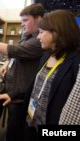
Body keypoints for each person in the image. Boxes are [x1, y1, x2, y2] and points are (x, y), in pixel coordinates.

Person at [0, 3, 45, 141]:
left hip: (20, 98)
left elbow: (16, 51)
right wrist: (7, 64)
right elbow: (17, 55)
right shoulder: (28, 36)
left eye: (25, 20)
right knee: (11, 130)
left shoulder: (38, 40)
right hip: (13, 94)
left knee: (14, 134)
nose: (22, 24)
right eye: (21, 20)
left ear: (38, 19)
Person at [24, 9, 80, 140]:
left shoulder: (76, 62)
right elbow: (36, 87)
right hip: (32, 123)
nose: (38, 37)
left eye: (42, 32)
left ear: (57, 33)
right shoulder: (45, 56)